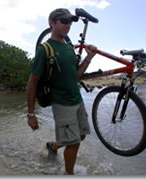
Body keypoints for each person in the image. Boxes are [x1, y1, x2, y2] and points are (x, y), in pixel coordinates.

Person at [26, 8, 97, 175]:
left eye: (70, 22)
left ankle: (54, 146)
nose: (68, 25)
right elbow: (32, 83)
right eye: (64, 21)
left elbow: (76, 76)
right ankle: (68, 174)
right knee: (73, 143)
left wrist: (88, 58)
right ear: (52, 23)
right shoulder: (45, 49)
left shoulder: (69, 48)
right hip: (61, 102)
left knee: (81, 136)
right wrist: (31, 115)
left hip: (76, 99)